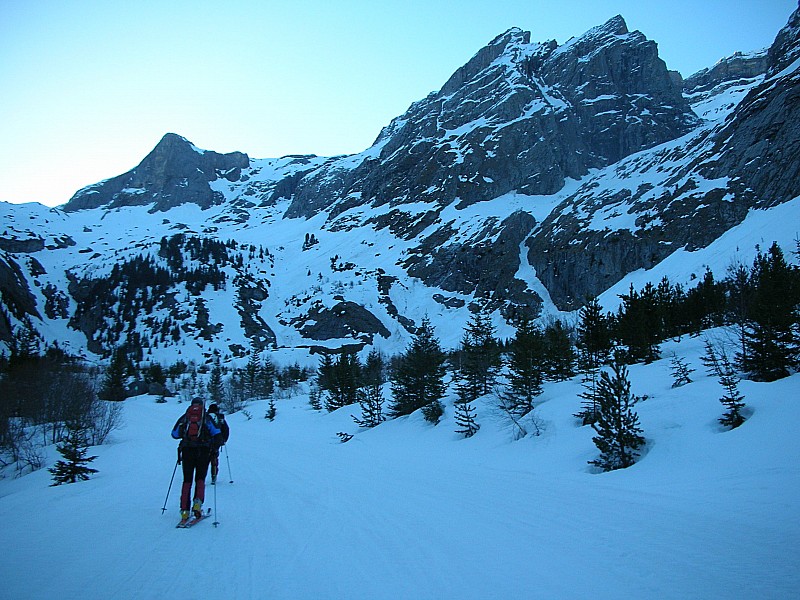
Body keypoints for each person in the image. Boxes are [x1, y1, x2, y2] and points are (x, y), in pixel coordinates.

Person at [171, 397, 222, 521]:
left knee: (187, 480)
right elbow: (217, 433)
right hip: (203, 452)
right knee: (200, 479)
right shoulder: (206, 418)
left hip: (187, 451)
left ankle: (184, 510)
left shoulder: (185, 418)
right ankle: (197, 505)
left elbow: (174, 434)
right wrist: (213, 447)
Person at [207, 403, 230, 485]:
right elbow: (226, 429)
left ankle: (201, 478)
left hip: (205, 441)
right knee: (214, 458)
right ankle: (214, 476)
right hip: (217, 441)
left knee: (204, 459)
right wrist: (223, 440)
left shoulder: (206, 416)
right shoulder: (220, 418)